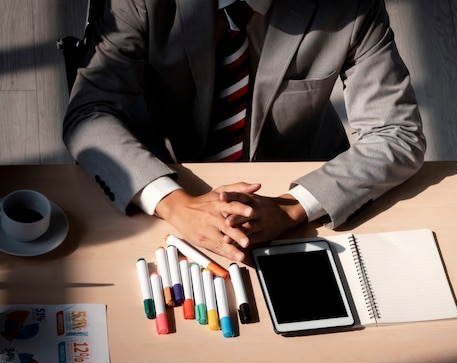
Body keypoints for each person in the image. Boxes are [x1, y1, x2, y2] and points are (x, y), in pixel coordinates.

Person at [63, 0, 426, 262]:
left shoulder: (351, 6)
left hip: (300, 178)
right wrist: (175, 204)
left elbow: (395, 132)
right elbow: (90, 111)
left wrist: (291, 208)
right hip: (162, 171)